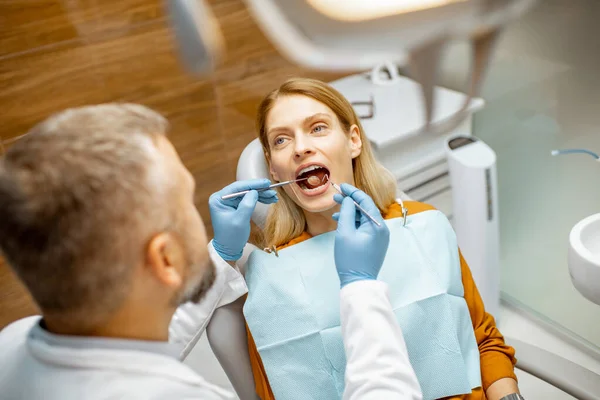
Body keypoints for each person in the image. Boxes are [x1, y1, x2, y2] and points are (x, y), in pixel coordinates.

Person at [0, 103, 423, 399]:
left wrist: (222, 252)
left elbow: (132, 346)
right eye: (185, 199)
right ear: (165, 259)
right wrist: (362, 288)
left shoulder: (12, 344)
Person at [199, 78, 522, 400]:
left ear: (354, 141)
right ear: (273, 169)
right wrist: (223, 251)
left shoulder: (423, 225)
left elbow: (483, 340)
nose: (300, 148)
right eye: (282, 140)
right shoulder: (268, 277)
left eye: (318, 128)